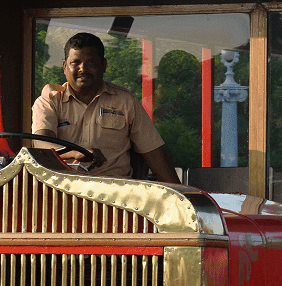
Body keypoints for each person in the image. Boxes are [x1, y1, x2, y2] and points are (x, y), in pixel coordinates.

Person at [31, 32, 181, 183]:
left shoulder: (126, 101)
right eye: (75, 63)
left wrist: (182, 193)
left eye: (91, 63)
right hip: (63, 189)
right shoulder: (50, 100)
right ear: (65, 67)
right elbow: (41, 144)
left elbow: (154, 152)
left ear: (103, 65)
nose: (83, 69)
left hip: (115, 190)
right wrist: (75, 152)